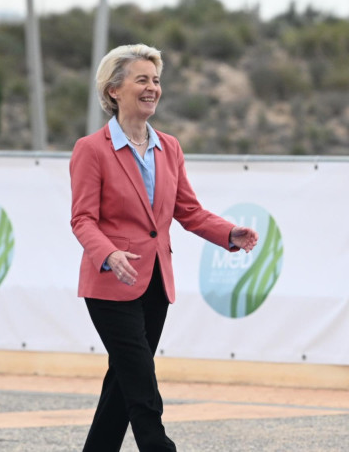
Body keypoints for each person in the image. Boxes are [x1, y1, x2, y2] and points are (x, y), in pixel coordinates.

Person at [70, 43, 259, 452]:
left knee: (123, 381)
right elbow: (82, 219)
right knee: (140, 384)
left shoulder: (169, 147)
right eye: (142, 79)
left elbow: (188, 211)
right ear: (114, 90)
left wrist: (229, 234)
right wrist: (108, 254)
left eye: (156, 80)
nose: (152, 87)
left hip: (155, 282)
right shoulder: (92, 150)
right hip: (109, 285)